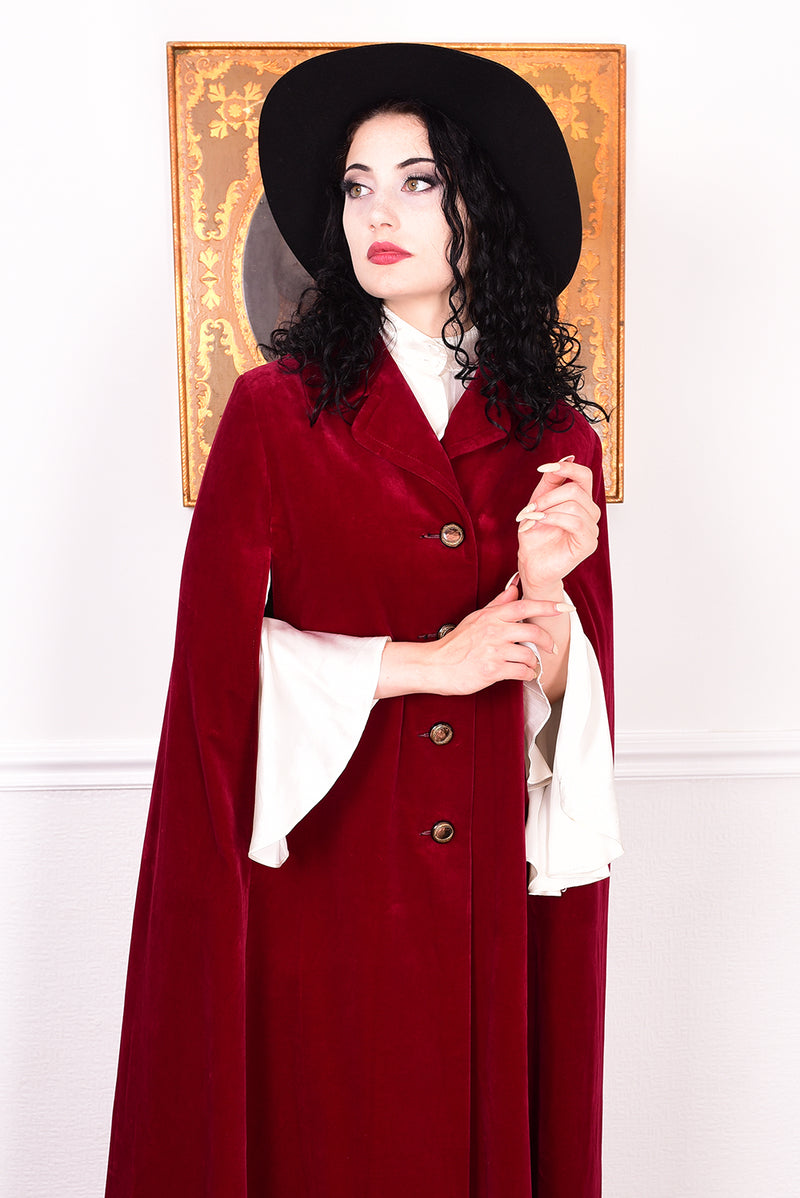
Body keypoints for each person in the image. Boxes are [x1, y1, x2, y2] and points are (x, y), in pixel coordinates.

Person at [105, 43, 622, 1198]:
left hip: (488, 894)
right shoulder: (274, 415)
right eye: (355, 184)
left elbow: (571, 710)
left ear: (478, 202)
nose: (376, 211)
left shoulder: (557, 443)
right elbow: (212, 682)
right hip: (321, 888)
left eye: (417, 179)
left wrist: (546, 602)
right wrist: (418, 667)